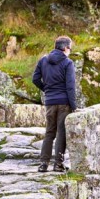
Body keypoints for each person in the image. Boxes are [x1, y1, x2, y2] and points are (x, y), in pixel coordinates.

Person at [32, 36, 76, 172]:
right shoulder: (67, 63)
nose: (70, 50)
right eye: (70, 48)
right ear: (65, 48)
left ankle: (43, 163)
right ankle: (58, 164)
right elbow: (70, 86)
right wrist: (73, 106)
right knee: (61, 133)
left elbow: (35, 79)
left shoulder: (43, 60)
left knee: (49, 132)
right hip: (64, 102)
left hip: (50, 101)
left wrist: (47, 89)